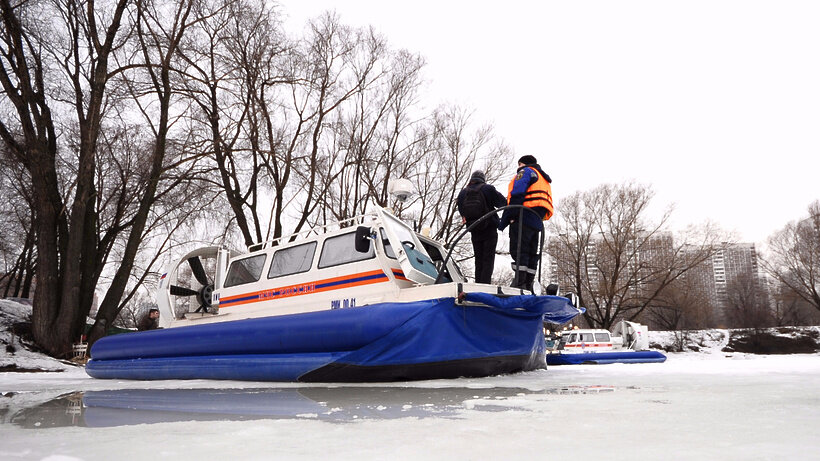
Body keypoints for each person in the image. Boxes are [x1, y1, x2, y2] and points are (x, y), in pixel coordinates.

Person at [498, 155, 554, 291]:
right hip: (537, 220)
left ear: (523, 164)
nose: (518, 168)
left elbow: (517, 193)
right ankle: (529, 284)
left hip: (523, 216)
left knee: (519, 250)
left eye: (519, 164)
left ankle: (519, 283)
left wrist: (508, 217)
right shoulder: (543, 178)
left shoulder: (526, 172)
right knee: (531, 253)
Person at [456, 170, 507, 284]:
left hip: (474, 229)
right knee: (488, 259)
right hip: (489, 228)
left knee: (478, 259)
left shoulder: (463, 193)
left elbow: (462, 210)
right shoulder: (488, 189)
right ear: (483, 179)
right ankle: (485, 285)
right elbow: (503, 203)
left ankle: (478, 284)